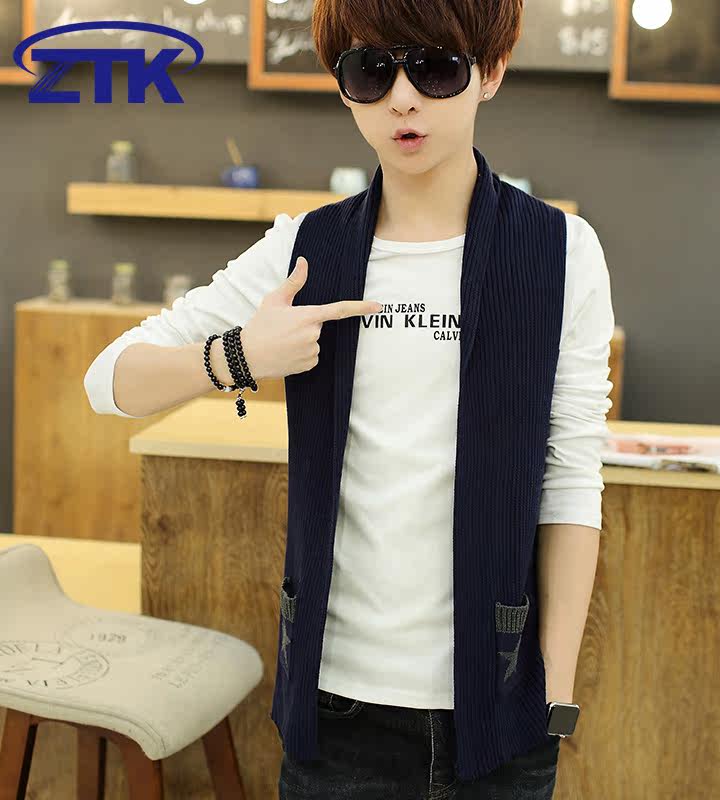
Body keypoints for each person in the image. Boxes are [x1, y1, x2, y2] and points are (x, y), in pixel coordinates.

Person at [84, 1, 615, 797]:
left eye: (435, 68)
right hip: (337, 713)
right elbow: (108, 380)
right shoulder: (306, 249)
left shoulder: (560, 251)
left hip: (502, 709)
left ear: (492, 72)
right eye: (371, 71)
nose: (402, 99)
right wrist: (240, 356)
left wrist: (555, 695)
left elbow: (570, 476)